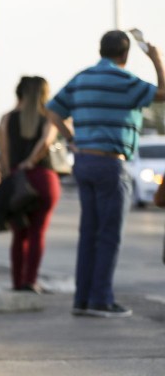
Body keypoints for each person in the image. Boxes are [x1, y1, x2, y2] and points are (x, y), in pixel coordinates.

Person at [46, 30, 165, 318]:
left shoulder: (82, 78)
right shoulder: (125, 81)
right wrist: (156, 59)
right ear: (125, 54)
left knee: (89, 233)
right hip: (111, 163)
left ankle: (83, 299)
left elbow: (53, 111)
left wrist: (71, 138)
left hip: (84, 161)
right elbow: (162, 95)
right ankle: (101, 299)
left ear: (100, 50)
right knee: (109, 235)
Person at [0, 76, 61, 294]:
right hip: (44, 179)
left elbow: (3, 154)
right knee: (37, 232)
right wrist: (32, 161)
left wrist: (11, 174)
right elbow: (46, 142)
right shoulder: (50, 117)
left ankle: (18, 282)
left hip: (17, 180)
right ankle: (30, 281)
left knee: (19, 234)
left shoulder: (7, 118)